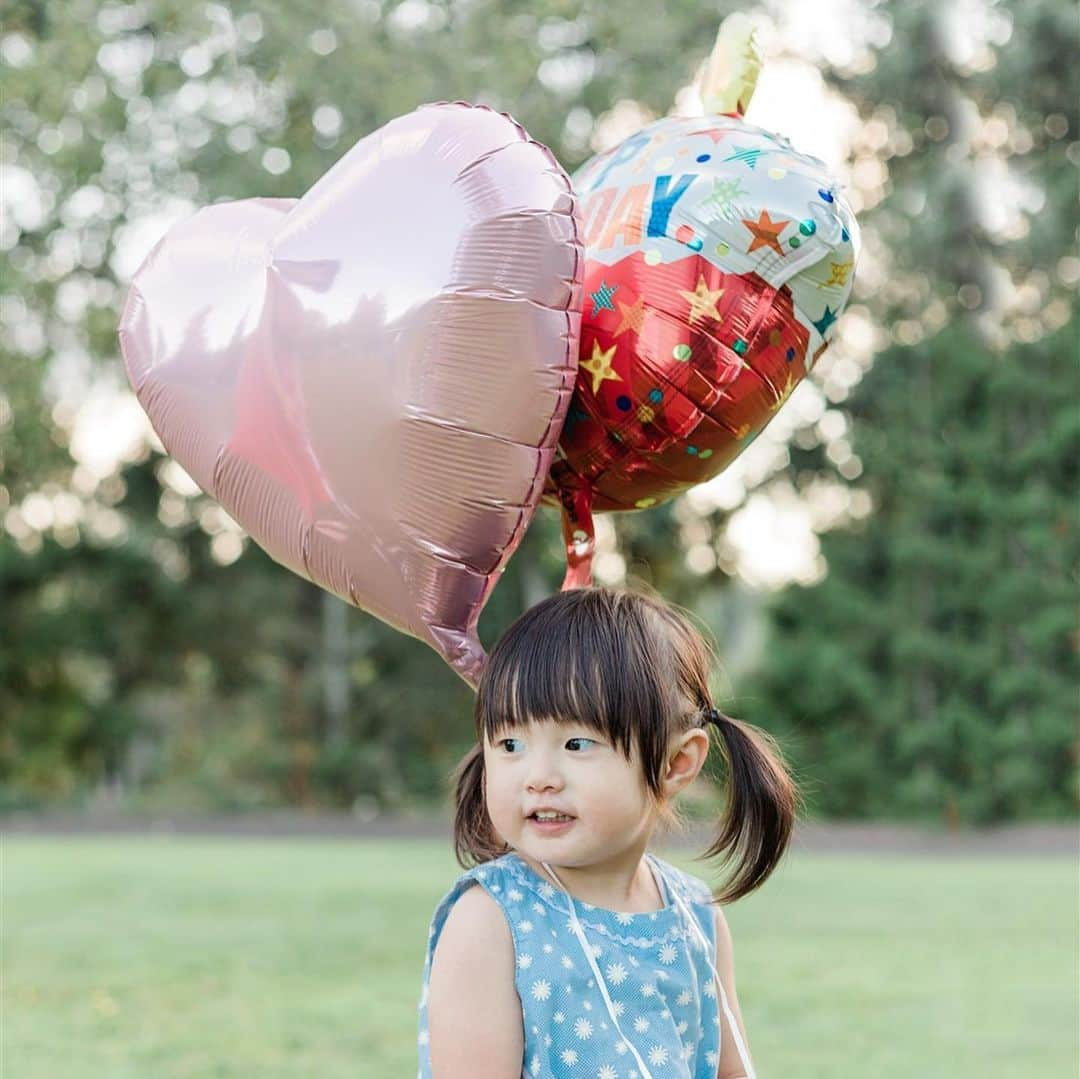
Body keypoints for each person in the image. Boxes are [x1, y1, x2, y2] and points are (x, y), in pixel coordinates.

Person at [416, 586, 798, 1079]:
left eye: (576, 743)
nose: (538, 776)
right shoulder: (491, 922)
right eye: (510, 742)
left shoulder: (695, 918)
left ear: (676, 764)